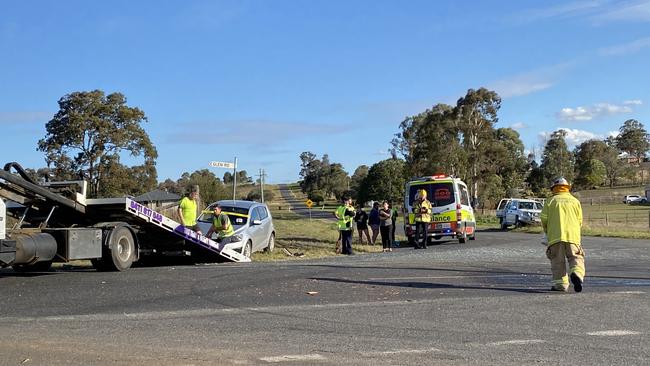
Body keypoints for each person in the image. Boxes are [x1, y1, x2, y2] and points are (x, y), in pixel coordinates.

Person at [540, 177, 585, 293]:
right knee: (576, 257)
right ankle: (577, 274)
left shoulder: (550, 201)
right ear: (567, 188)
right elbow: (580, 220)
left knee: (557, 260)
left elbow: (544, 219)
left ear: (554, 188)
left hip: (555, 236)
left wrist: (547, 230)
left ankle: (561, 285)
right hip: (573, 236)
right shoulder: (575, 201)